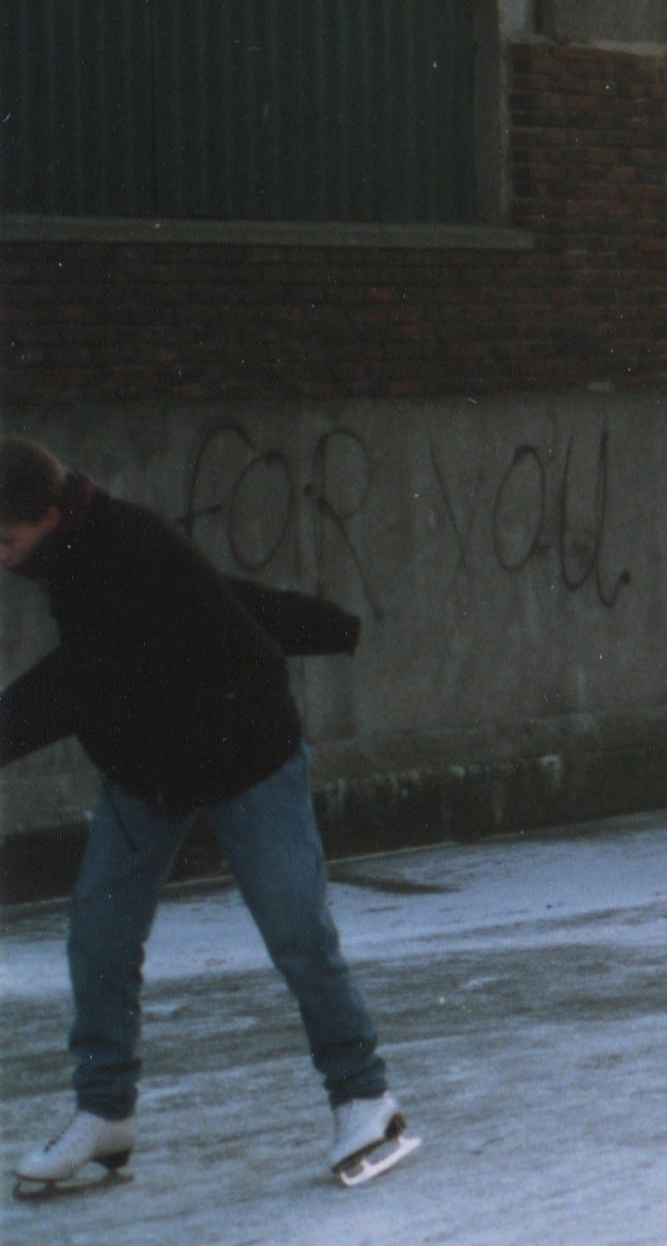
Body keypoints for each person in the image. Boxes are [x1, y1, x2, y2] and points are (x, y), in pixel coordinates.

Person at [0, 436, 417, 1197]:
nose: (1, 555)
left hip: (244, 754)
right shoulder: (77, 555)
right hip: (150, 771)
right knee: (99, 933)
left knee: (295, 926)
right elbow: (220, 592)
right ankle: (105, 1110)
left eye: (6, 537)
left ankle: (365, 1096)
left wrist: (318, 628)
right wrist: (324, 624)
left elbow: (74, 682)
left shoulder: (122, 548)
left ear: (51, 515)